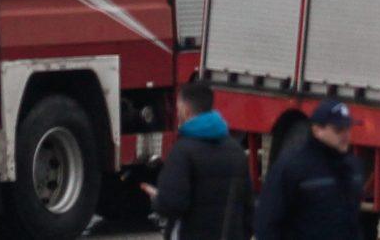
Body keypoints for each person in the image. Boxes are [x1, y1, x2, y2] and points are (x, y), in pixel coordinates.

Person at [147, 81, 248, 240]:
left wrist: (158, 199)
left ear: (186, 110)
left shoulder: (182, 152)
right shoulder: (236, 150)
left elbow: (172, 203)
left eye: (178, 108)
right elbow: (247, 209)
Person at [253, 99, 363, 240]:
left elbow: (354, 223)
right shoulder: (292, 167)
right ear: (317, 130)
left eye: (348, 128)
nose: (346, 135)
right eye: (338, 130)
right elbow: (267, 222)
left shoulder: (352, 168)